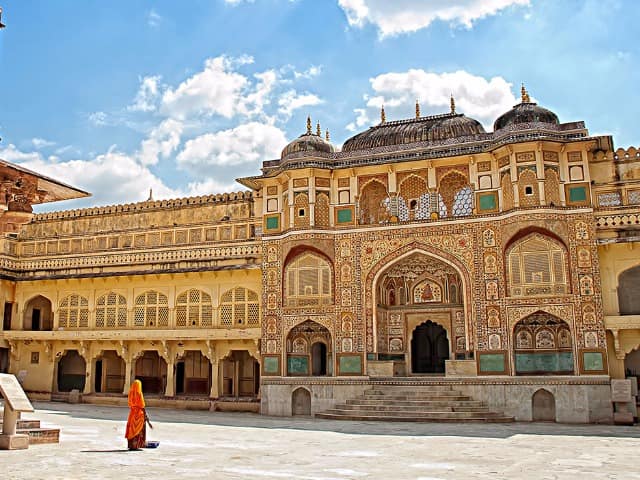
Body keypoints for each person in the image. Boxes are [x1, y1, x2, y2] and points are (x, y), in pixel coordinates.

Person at [125, 379, 147, 450]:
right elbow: (142, 405)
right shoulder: (139, 393)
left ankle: (131, 445)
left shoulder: (130, 394)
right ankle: (136, 445)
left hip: (132, 414)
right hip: (139, 414)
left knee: (132, 429)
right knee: (138, 430)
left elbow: (130, 404)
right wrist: (146, 415)